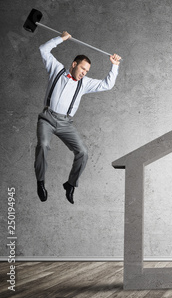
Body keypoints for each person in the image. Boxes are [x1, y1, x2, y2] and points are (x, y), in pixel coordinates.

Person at [35, 31, 121, 204]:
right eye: (82, 68)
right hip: (47, 118)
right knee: (43, 145)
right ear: (74, 64)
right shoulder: (57, 70)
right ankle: (40, 181)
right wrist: (61, 38)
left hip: (66, 123)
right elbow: (43, 50)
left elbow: (108, 84)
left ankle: (71, 184)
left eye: (87, 71)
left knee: (83, 152)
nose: (84, 73)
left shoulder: (85, 83)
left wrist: (114, 65)